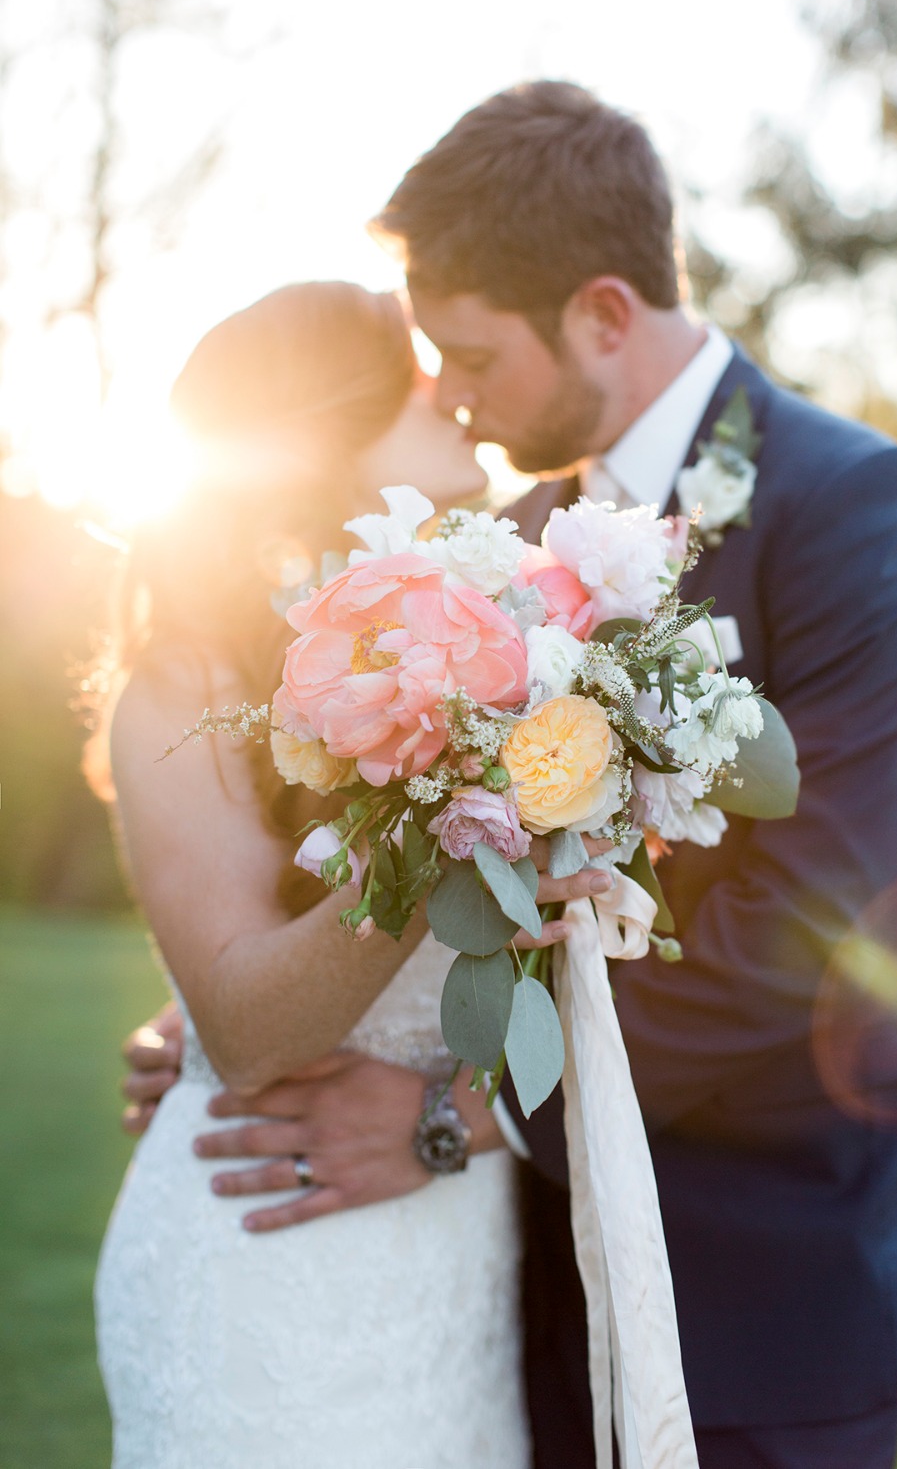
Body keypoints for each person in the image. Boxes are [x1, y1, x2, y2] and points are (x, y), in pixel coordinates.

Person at [122, 87, 897, 1469]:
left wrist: (450, 1113)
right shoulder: (498, 546)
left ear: (602, 311)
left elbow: (806, 923)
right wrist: (227, 1025)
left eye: (470, 356)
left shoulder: (856, 507)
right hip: (520, 1279)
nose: (452, 400)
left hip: (774, 1283)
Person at [91, 279, 613, 1469]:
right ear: (328, 423)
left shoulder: (527, 635)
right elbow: (244, 1030)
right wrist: (446, 828)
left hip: (453, 1269)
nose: (450, 381)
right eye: (412, 363)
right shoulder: (186, 687)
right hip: (268, 1262)